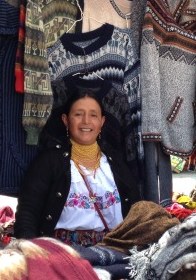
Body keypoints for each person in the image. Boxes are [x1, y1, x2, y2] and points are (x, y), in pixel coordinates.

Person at [14, 89, 141, 246]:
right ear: (66, 120)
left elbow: (136, 209)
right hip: (63, 254)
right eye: (78, 114)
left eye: (93, 115)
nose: (86, 121)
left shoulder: (116, 163)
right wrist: (32, 253)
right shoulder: (48, 162)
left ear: (101, 122)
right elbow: (28, 213)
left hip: (114, 250)